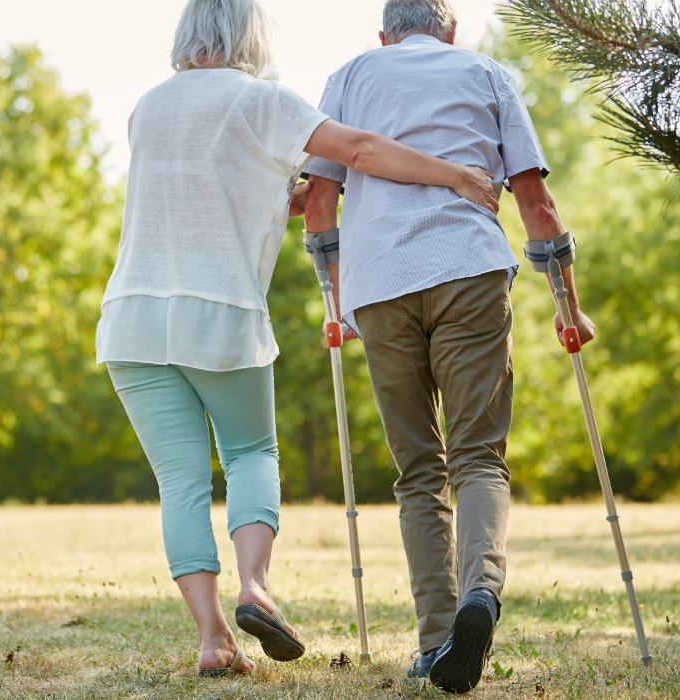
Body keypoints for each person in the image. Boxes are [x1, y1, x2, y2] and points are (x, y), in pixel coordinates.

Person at [95, 0, 499, 678]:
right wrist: (455, 174)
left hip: (131, 321)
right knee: (252, 451)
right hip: (220, 311)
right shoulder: (264, 101)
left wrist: (281, 194)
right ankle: (255, 586)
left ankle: (213, 639)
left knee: (181, 481)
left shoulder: (147, 107)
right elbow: (361, 150)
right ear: (250, 37)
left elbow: (213, 188)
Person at [302, 0, 596, 693]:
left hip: (380, 285)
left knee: (418, 472)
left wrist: (334, 303)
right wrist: (569, 308)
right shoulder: (486, 72)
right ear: (451, 29)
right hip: (468, 266)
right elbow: (537, 205)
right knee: (478, 457)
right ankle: (479, 596)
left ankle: (437, 642)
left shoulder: (350, 74)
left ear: (384, 34)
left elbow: (319, 204)